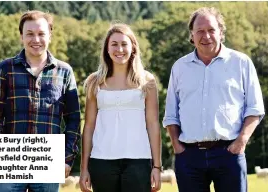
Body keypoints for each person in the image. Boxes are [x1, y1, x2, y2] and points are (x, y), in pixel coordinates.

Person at [163, 7, 265, 192]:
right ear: (192, 35)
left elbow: (255, 108)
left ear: (220, 32)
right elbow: (171, 114)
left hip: (229, 154)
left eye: (211, 30)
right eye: (200, 31)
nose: (206, 36)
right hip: (189, 157)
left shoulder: (241, 63)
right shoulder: (179, 67)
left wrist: (241, 142)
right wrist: (178, 147)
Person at [0, 10, 81, 192]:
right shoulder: (5, 69)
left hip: (49, 161)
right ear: (21, 36)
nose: (35, 39)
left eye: (41, 34)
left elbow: (74, 120)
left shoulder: (64, 71)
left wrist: (66, 158)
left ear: (50, 36)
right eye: (30, 34)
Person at [79, 23, 161, 192]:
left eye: (124, 44)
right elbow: (88, 127)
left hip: (139, 160)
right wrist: (84, 168)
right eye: (114, 44)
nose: (120, 49)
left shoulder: (147, 81)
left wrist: (157, 166)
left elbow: (153, 124)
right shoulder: (95, 82)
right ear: (107, 49)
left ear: (133, 48)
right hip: (101, 161)